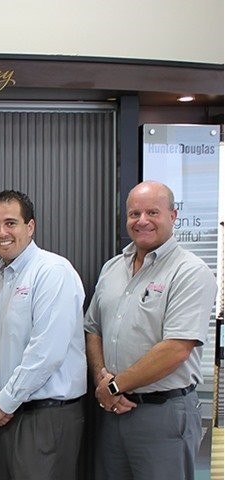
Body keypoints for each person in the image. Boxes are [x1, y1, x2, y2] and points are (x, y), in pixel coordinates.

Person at [84, 180, 217, 480]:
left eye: (152, 212)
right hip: (113, 413)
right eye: (134, 214)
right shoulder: (112, 268)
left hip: (164, 414)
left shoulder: (190, 272)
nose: (142, 221)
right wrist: (102, 379)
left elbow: (176, 349)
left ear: (173, 215)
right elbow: (93, 328)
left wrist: (114, 386)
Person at [0, 189, 87, 480]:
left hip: (46, 418)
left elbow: (46, 353)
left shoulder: (52, 272)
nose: (2, 232)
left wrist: (4, 402)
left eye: (11, 223)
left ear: (30, 226)